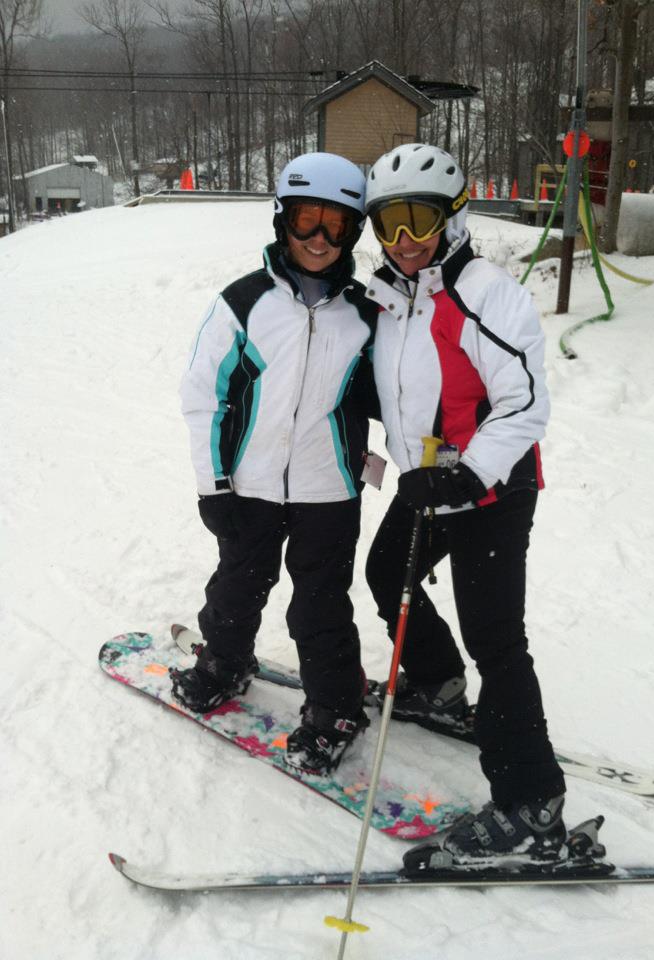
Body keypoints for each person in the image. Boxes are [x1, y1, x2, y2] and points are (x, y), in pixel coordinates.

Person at [363, 143, 567, 868]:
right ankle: (436, 682)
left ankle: (530, 802)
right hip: (428, 482)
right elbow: (383, 385)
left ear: (452, 217)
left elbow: (525, 403)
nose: (404, 241)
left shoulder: (484, 294)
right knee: (387, 576)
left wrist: (468, 474)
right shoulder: (388, 299)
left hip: (492, 491)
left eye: (418, 220)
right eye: (387, 225)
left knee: (496, 638)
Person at [173, 152, 377, 777]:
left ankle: (336, 707)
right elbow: (203, 395)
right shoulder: (243, 303)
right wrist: (215, 485)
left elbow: (404, 392)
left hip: (329, 490)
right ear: (282, 221)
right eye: (306, 221)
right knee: (238, 583)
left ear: (352, 233)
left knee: (319, 604)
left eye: (335, 225)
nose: (318, 238)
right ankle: (225, 662)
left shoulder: (366, 315)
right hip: (251, 486)